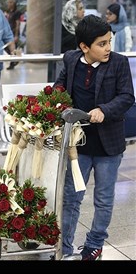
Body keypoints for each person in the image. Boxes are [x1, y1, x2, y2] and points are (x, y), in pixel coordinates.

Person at [54, 15, 134, 260]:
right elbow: (60, 85)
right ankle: (64, 248)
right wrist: (57, 99)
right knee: (71, 197)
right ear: (84, 47)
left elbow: (127, 97)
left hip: (108, 144)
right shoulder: (70, 59)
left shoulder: (118, 63)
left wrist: (104, 110)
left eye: (109, 41)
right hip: (77, 145)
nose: (108, 48)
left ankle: (94, 244)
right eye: (102, 43)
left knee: (103, 198)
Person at [5, 0, 22, 70]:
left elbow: (18, 24)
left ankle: (13, 62)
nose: (9, 3)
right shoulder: (9, 12)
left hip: (13, 32)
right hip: (8, 32)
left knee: (12, 48)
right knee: (7, 47)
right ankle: (15, 59)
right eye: (8, 2)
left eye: (11, 2)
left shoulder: (17, 12)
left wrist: (16, 35)